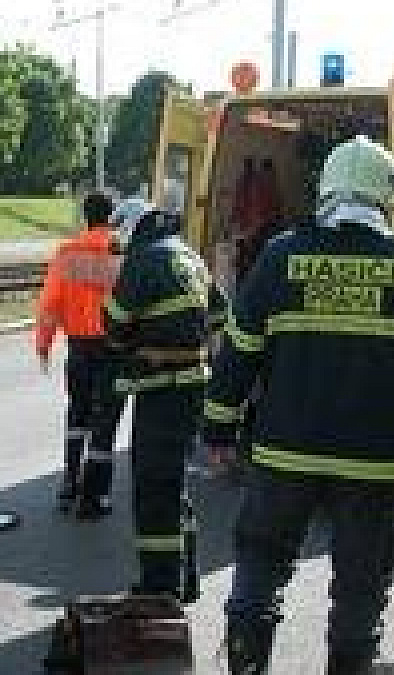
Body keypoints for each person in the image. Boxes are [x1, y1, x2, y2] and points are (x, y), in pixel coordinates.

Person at [204, 135, 394, 674]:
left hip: (284, 453)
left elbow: (239, 354)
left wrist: (218, 433)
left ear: (325, 192)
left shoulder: (280, 256)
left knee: (260, 569)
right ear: (385, 199)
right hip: (377, 460)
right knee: (360, 595)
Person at [102, 199, 226, 602]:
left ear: (133, 228)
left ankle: (160, 586)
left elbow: (113, 323)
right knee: (173, 483)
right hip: (192, 386)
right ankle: (185, 577)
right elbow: (220, 315)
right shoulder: (190, 257)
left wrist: (140, 341)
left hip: (161, 388)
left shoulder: (145, 260)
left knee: (154, 487)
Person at [35, 192, 127, 515]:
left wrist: (44, 344)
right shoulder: (119, 251)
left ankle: (69, 484)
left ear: (85, 217)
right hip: (112, 349)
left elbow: (50, 304)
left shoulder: (68, 252)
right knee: (106, 420)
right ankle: (95, 496)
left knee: (77, 414)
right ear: (111, 216)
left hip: (78, 348)